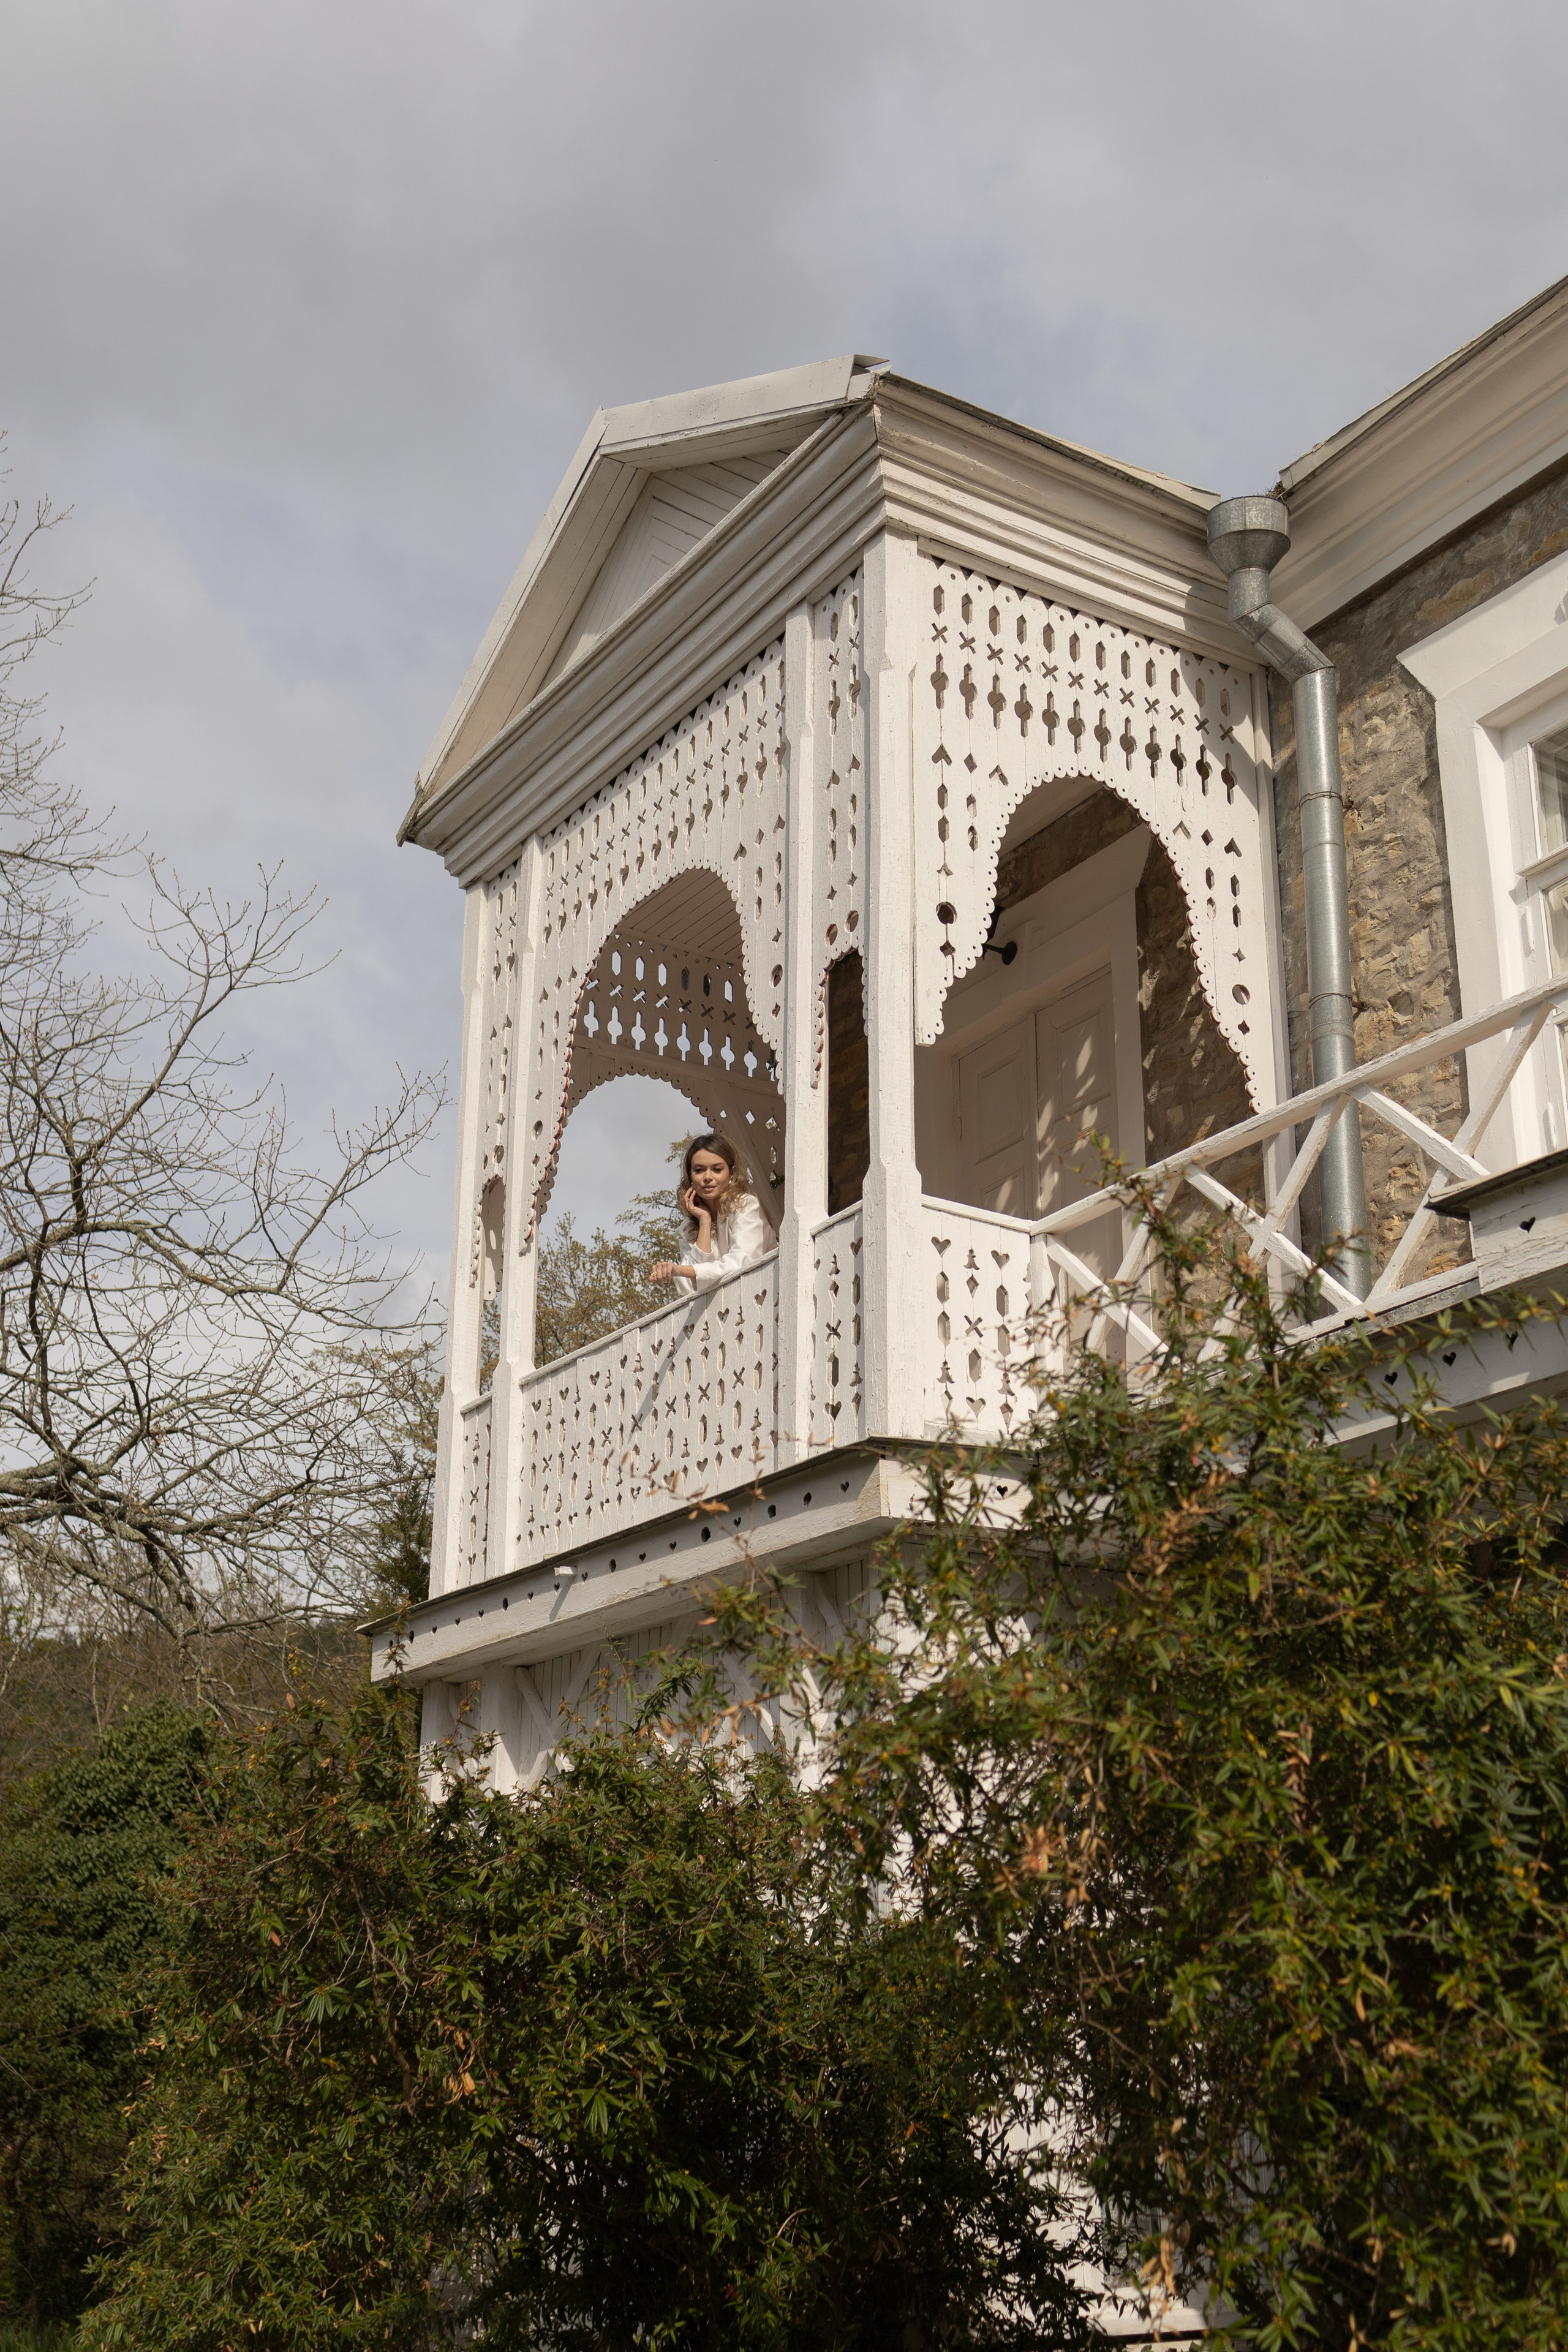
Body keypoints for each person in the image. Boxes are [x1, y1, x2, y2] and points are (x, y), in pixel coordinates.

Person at [649, 1133, 771, 1295]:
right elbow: (690, 1289)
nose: (708, 1177)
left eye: (717, 1170)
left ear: (732, 1173)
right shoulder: (688, 1228)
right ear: (690, 1176)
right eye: (699, 1170)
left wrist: (678, 1270)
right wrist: (705, 1221)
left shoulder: (746, 1206)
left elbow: (739, 1265)